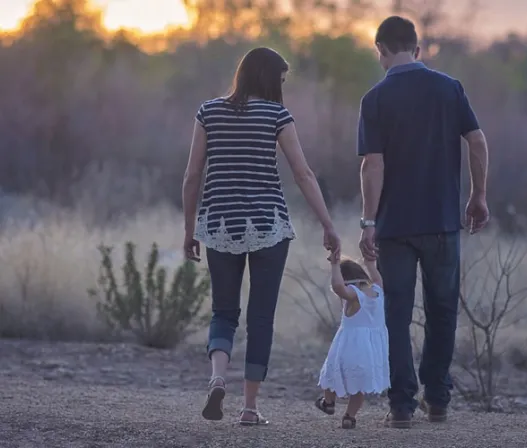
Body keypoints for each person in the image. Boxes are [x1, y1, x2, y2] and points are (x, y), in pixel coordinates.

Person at [181, 47, 341, 425]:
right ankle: (250, 408)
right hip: (269, 225)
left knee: (223, 311)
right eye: (281, 80)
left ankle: (218, 377)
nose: (282, 88)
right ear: (270, 78)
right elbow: (303, 175)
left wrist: (190, 230)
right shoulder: (277, 115)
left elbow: (191, 176)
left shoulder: (208, 112)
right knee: (261, 318)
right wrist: (328, 224)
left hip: (219, 224)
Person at [357, 16, 490, 428]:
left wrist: (368, 221)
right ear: (417, 49)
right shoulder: (449, 88)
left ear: (379, 50)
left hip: (395, 226)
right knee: (442, 310)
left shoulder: (375, 98)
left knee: (396, 313)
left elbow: (372, 165)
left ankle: (401, 406)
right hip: (443, 223)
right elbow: (478, 141)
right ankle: (437, 399)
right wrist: (478, 195)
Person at [314, 255, 390, 429]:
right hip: (371, 350)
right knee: (359, 386)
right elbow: (377, 277)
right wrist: (370, 263)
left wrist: (334, 265)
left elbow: (338, 287)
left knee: (331, 374)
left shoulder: (354, 295)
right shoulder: (377, 290)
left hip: (349, 346)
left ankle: (328, 402)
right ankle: (349, 416)